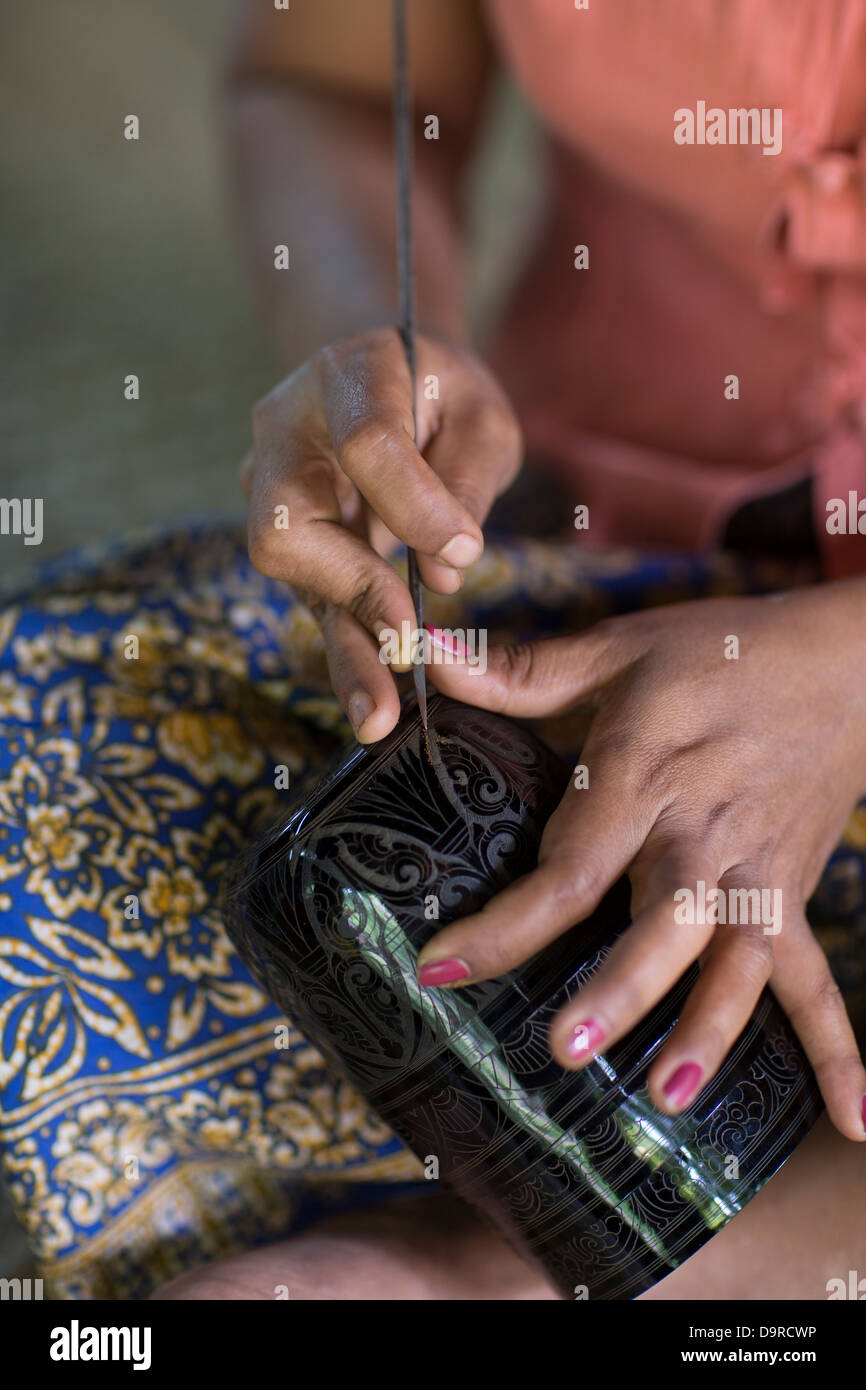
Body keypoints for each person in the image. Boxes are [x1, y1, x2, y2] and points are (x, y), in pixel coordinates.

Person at [4, 0, 866, 1300]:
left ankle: (493, 1262)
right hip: (606, 558)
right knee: (48, 754)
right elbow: (322, 76)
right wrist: (376, 354)